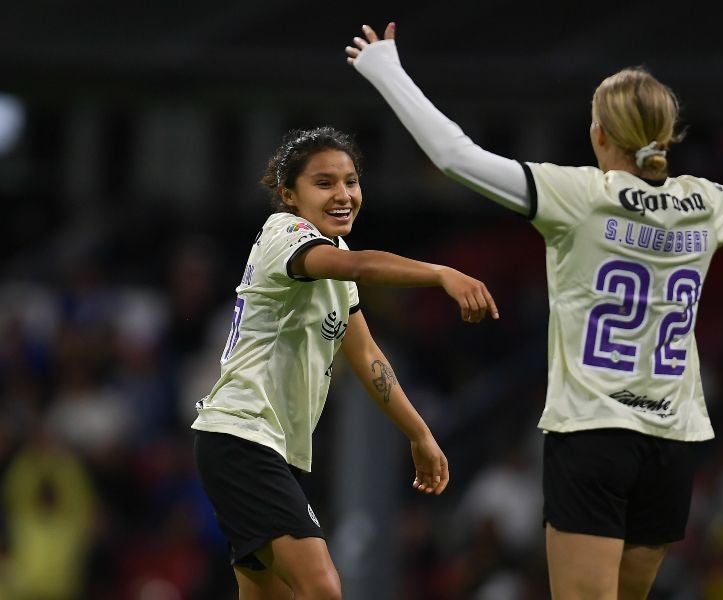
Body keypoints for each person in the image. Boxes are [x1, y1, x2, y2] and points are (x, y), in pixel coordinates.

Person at [345, 23, 723, 600]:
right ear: (665, 138)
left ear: (599, 135)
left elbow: (455, 156)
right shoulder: (707, 203)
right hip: (672, 443)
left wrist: (385, 67)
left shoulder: (575, 196)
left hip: (593, 434)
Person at [191, 125, 499, 599]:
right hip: (242, 436)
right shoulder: (284, 234)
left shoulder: (335, 258)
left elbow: (368, 355)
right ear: (288, 195)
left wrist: (419, 433)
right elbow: (359, 267)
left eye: (350, 181)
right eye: (324, 182)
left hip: (271, 448)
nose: (343, 194)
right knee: (323, 588)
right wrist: (440, 273)